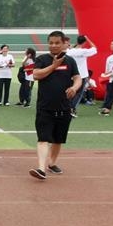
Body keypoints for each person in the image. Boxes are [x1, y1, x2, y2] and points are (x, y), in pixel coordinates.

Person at [29, 31, 81, 180]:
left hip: (64, 107)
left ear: (64, 43)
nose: (54, 45)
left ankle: (52, 163)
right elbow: (36, 75)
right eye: (51, 43)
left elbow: (77, 78)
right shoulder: (41, 59)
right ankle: (41, 168)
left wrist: (74, 88)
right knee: (43, 138)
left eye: (57, 43)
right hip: (45, 107)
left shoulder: (70, 61)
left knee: (58, 139)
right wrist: (53, 66)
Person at [65, 35, 97, 118]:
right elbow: (94, 48)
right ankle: (72, 109)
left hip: (71, 74)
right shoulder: (84, 51)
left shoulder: (70, 51)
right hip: (81, 75)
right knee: (78, 94)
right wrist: (88, 38)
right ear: (84, 42)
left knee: (70, 92)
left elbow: (69, 49)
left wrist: (72, 47)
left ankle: (68, 108)